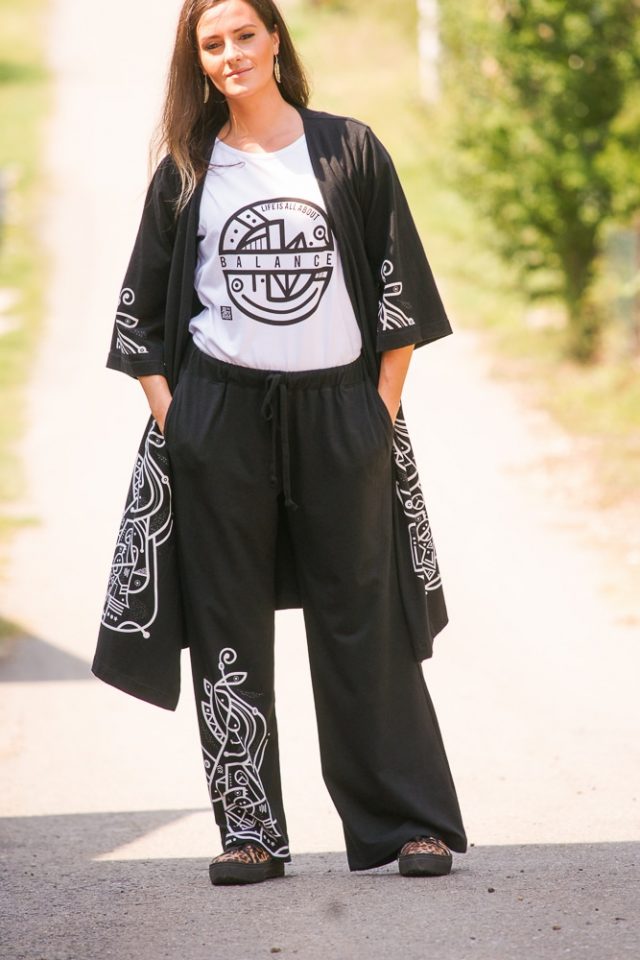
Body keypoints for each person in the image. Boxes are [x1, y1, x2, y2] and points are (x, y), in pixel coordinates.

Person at [93, 0, 467, 885]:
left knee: (365, 615)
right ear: (198, 60)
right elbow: (143, 320)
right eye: (211, 44)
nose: (231, 54)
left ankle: (410, 824)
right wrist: (178, 421)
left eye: (244, 35)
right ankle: (251, 834)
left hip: (341, 409)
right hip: (220, 416)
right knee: (227, 621)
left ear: (274, 39)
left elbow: (399, 290)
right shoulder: (188, 171)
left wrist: (378, 410)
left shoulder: (349, 149)